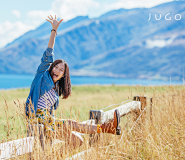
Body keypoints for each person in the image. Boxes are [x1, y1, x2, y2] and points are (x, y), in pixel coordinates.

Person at [25, 15, 121, 150]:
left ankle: (109, 128)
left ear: (64, 75)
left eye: (61, 69)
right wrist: (54, 30)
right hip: (38, 120)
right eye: (56, 67)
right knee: (71, 123)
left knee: (77, 141)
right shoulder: (41, 78)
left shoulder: (54, 90)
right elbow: (48, 53)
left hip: (48, 123)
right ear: (51, 68)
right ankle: (107, 128)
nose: (57, 70)